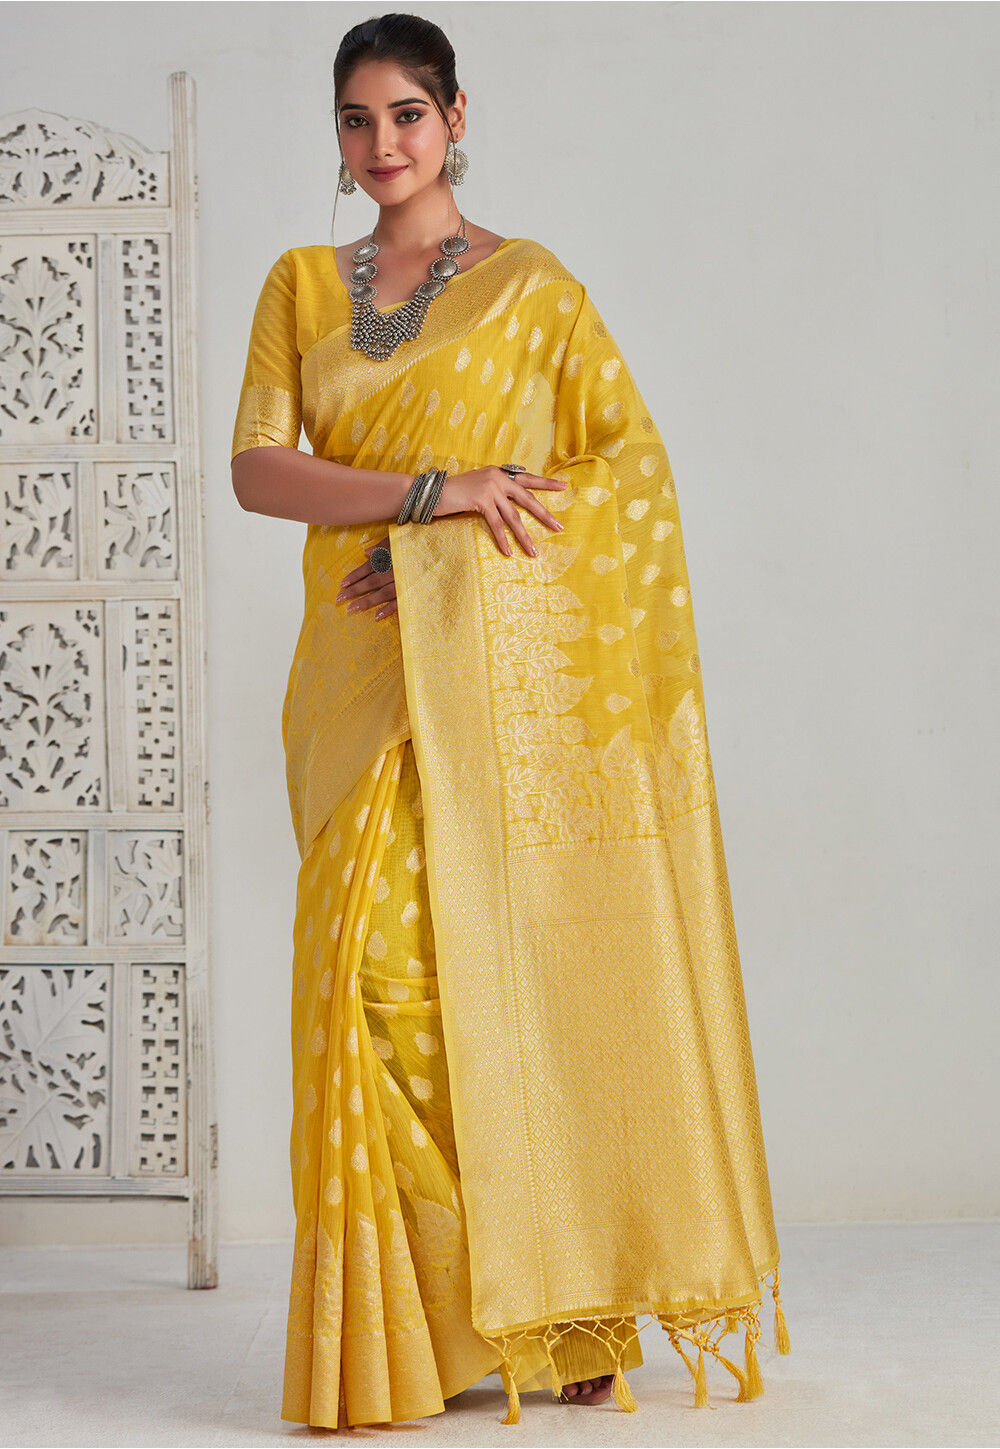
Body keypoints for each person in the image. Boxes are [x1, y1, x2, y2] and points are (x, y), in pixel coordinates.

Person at [230, 11, 790, 1431]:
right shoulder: (301, 286)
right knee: (373, 997)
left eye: (406, 115)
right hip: (353, 697)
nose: (381, 146)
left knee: (497, 981)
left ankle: (566, 1304)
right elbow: (259, 470)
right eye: (356, 121)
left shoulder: (533, 290)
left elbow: (625, 474)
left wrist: (455, 550)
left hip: (484, 698)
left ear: (457, 117)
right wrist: (429, 497)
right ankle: (423, 1329)